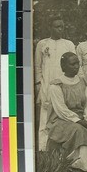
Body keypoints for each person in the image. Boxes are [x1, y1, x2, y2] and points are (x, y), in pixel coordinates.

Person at [46, 52, 87, 171]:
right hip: (61, 120)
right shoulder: (56, 85)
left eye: (77, 63)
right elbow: (61, 110)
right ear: (63, 66)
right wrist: (80, 122)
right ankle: (74, 165)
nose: (76, 66)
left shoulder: (84, 82)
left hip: (83, 118)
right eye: (72, 64)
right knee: (78, 130)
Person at [34, 16, 76, 151]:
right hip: (47, 84)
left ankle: (63, 149)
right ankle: (43, 150)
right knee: (45, 116)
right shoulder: (42, 44)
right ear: (50, 28)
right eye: (57, 26)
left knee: (64, 113)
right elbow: (38, 66)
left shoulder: (68, 44)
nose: (60, 29)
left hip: (64, 84)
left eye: (62, 27)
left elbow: (74, 64)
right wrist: (38, 84)